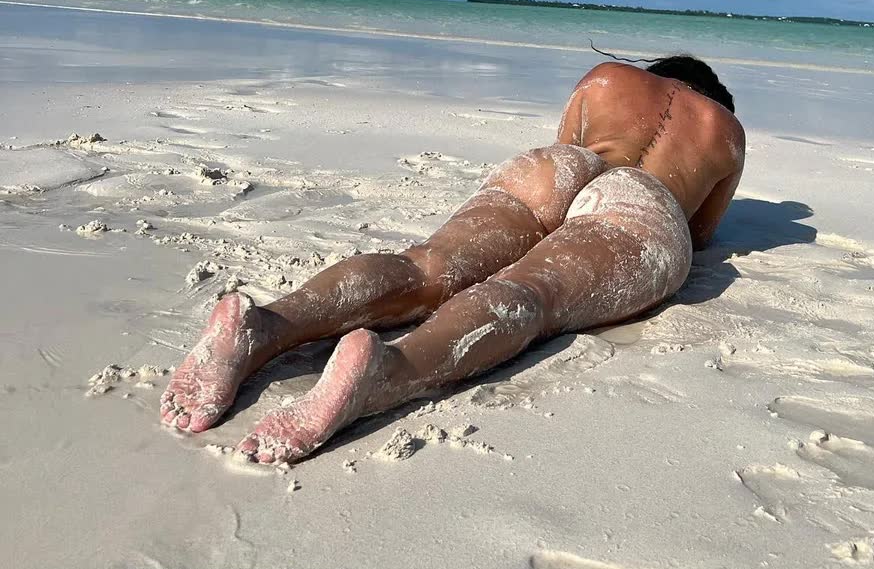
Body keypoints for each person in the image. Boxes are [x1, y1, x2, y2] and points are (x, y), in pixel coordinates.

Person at [160, 53, 745, 463]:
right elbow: (702, 235)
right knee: (530, 293)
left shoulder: (608, 78)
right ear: (714, 97)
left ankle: (265, 325)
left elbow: (570, 151)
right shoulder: (726, 131)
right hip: (641, 200)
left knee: (427, 265)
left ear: (658, 70)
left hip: (555, 171)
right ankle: (390, 369)